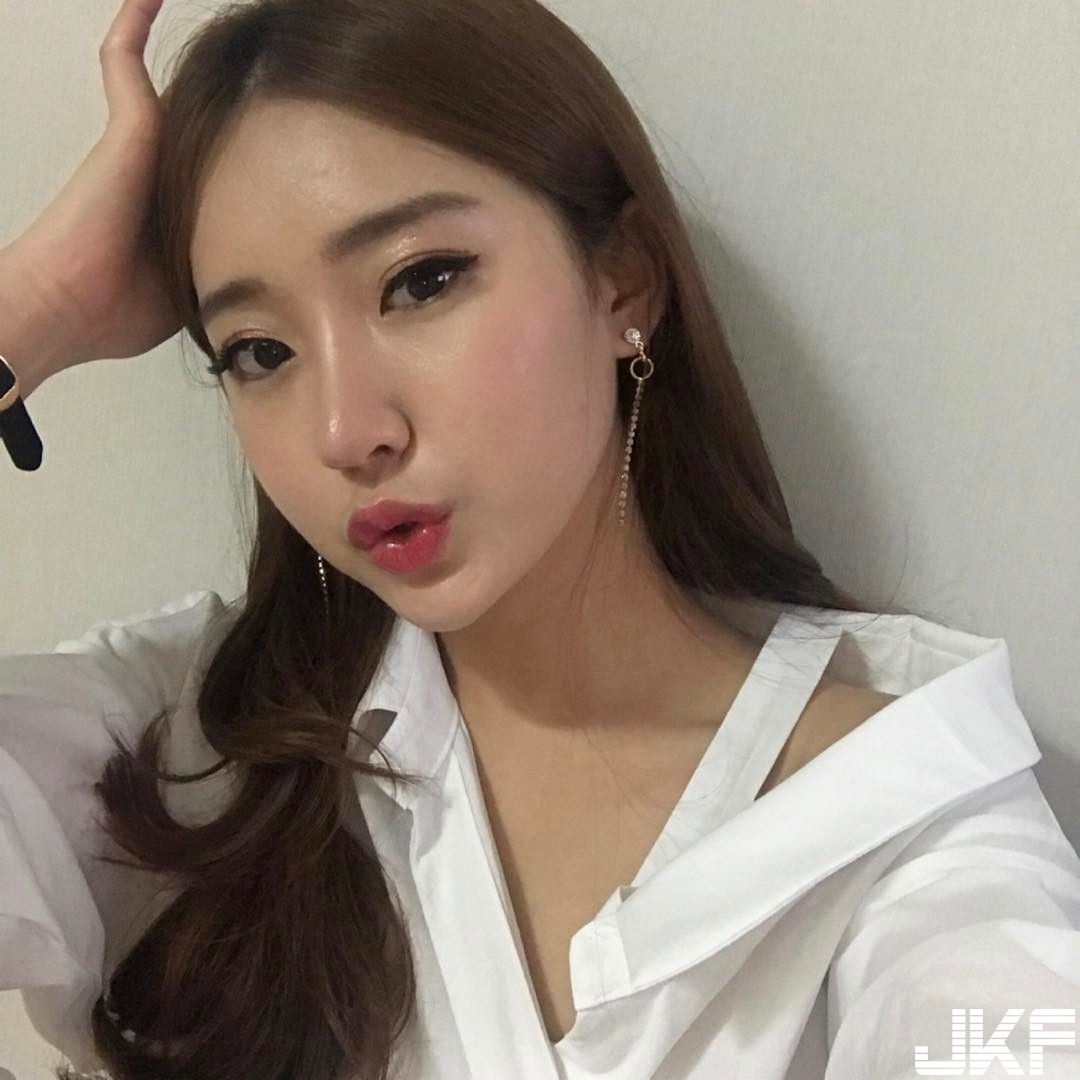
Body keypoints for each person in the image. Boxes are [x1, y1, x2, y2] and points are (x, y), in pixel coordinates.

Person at [1, 0, 1078, 1077]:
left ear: (623, 280)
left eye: (420, 281)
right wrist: (33, 307)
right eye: (258, 351)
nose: (345, 431)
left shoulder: (915, 822)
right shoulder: (180, 757)